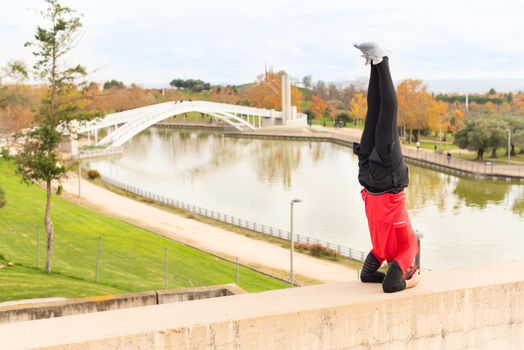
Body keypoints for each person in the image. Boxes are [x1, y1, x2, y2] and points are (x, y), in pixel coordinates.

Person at [352, 42, 421, 293]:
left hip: (374, 181)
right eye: (409, 270)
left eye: (409, 269)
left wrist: (411, 280)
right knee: (386, 115)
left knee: (374, 113)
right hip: (384, 181)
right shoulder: (402, 250)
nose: (408, 268)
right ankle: (382, 60)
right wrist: (408, 278)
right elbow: (379, 278)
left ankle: (374, 62)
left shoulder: (395, 252)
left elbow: (376, 279)